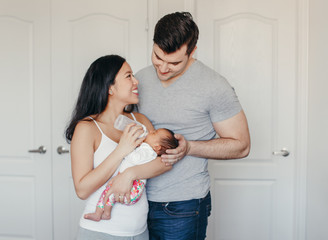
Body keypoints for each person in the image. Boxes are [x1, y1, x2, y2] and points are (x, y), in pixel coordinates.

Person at [134, 12, 251, 240]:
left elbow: (242, 146)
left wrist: (189, 148)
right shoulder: (140, 78)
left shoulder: (215, 86)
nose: (163, 68)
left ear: (192, 51)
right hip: (135, 202)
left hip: (182, 207)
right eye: (158, 57)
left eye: (174, 62)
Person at [65, 55, 172, 240]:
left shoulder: (141, 120)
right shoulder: (87, 128)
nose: (136, 81)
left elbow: (165, 162)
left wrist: (130, 174)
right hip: (100, 232)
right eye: (128, 76)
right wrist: (121, 150)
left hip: (139, 232)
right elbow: (82, 189)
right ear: (110, 88)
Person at [84, 128, 178, 222]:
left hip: (133, 188)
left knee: (109, 193)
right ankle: (102, 213)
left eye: (154, 133)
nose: (150, 131)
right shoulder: (146, 150)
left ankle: (103, 213)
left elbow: (135, 158)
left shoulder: (148, 152)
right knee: (108, 193)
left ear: (157, 147)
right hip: (131, 186)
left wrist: (127, 148)